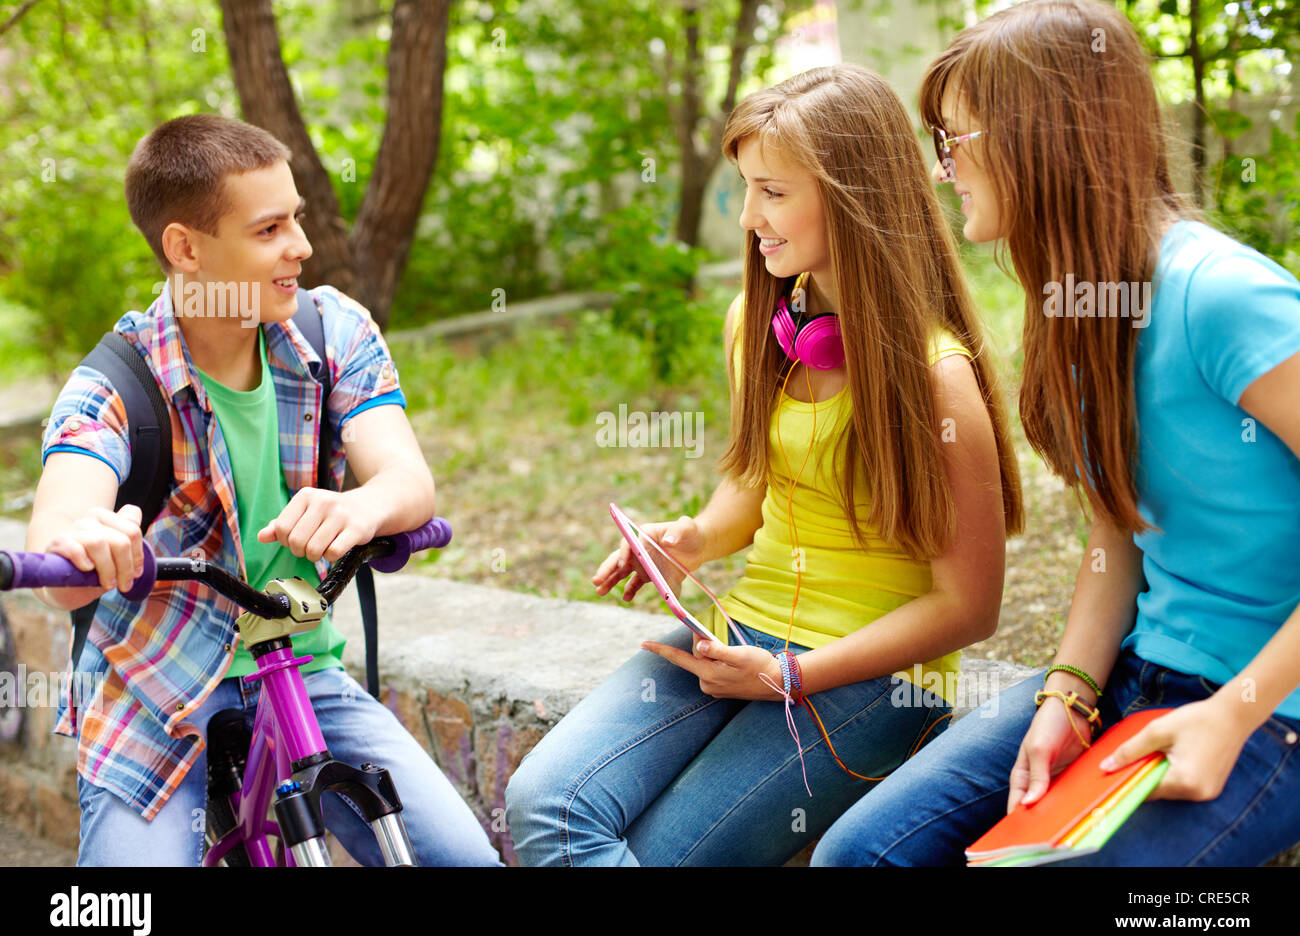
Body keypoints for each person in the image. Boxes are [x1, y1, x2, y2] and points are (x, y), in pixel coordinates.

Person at [812, 0, 1300, 867]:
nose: (941, 168)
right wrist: (1067, 697)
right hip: (1138, 675)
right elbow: (1118, 531)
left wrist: (1234, 714)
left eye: (955, 139)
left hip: (1270, 710)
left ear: (1042, 141)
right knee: (860, 855)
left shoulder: (1220, 296)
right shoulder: (1074, 309)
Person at [504, 64, 1025, 866]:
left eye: (772, 192)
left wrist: (795, 674)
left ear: (854, 193)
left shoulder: (936, 377)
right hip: (739, 634)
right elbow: (755, 483)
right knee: (546, 804)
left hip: (878, 680)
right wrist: (696, 538)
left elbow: (970, 606)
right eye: (746, 188)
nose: (748, 217)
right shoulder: (759, 321)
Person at [29, 113, 500, 866]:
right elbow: (58, 532)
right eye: (269, 229)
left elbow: (409, 482)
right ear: (185, 247)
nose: (302, 247)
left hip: (302, 671)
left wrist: (361, 505)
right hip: (159, 697)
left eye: (298, 220)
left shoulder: (333, 330)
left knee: (463, 860)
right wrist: (85, 542)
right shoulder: (113, 386)